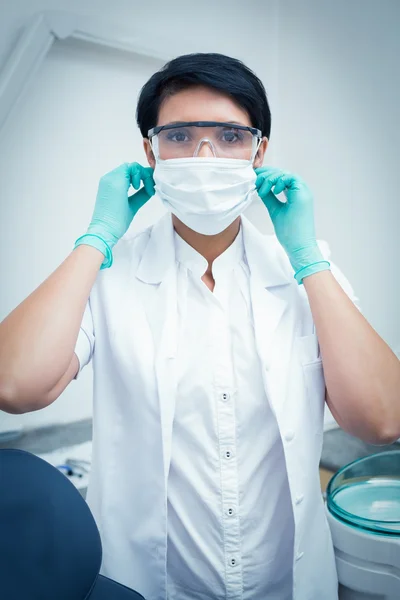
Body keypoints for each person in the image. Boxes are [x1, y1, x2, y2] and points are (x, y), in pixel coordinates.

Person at [0, 53, 399, 600]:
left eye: (231, 136)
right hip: (144, 586)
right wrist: (97, 236)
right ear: (150, 151)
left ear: (260, 152)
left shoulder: (305, 273)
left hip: (287, 585)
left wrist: (307, 258)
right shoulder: (108, 277)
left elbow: (382, 418)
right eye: (181, 136)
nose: (205, 156)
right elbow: (14, 386)